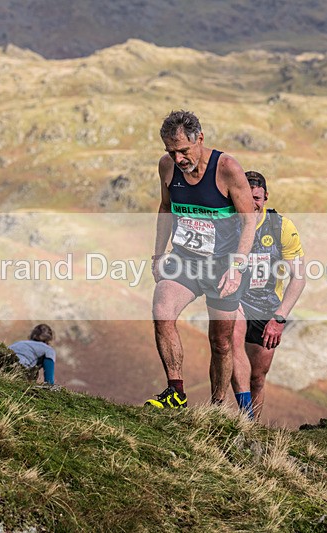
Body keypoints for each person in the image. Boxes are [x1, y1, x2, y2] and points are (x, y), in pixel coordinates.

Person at [145, 110, 256, 409]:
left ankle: (218, 405)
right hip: (185, 261)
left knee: (221, 342)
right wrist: (158, 254)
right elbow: (166, 208)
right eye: (171, 151)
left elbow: (249, 221)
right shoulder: (167, 167)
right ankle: (175, 391)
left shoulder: (227, 169)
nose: (179, 159)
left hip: (223, 267)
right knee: (162, 309)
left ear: (200, 139)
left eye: (184, 150)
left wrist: (236, 268)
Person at [231, 171, 306, 420]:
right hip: (236, 302)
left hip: (267, 308)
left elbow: (299, 277)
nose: (252, 204)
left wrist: (279, 318)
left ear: (265, 197)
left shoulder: (280, 226)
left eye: (257, 198)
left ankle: (252, 426)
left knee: (258, 376)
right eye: (247, 197)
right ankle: (237, 413)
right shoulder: (229, 222)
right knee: (230, 343)